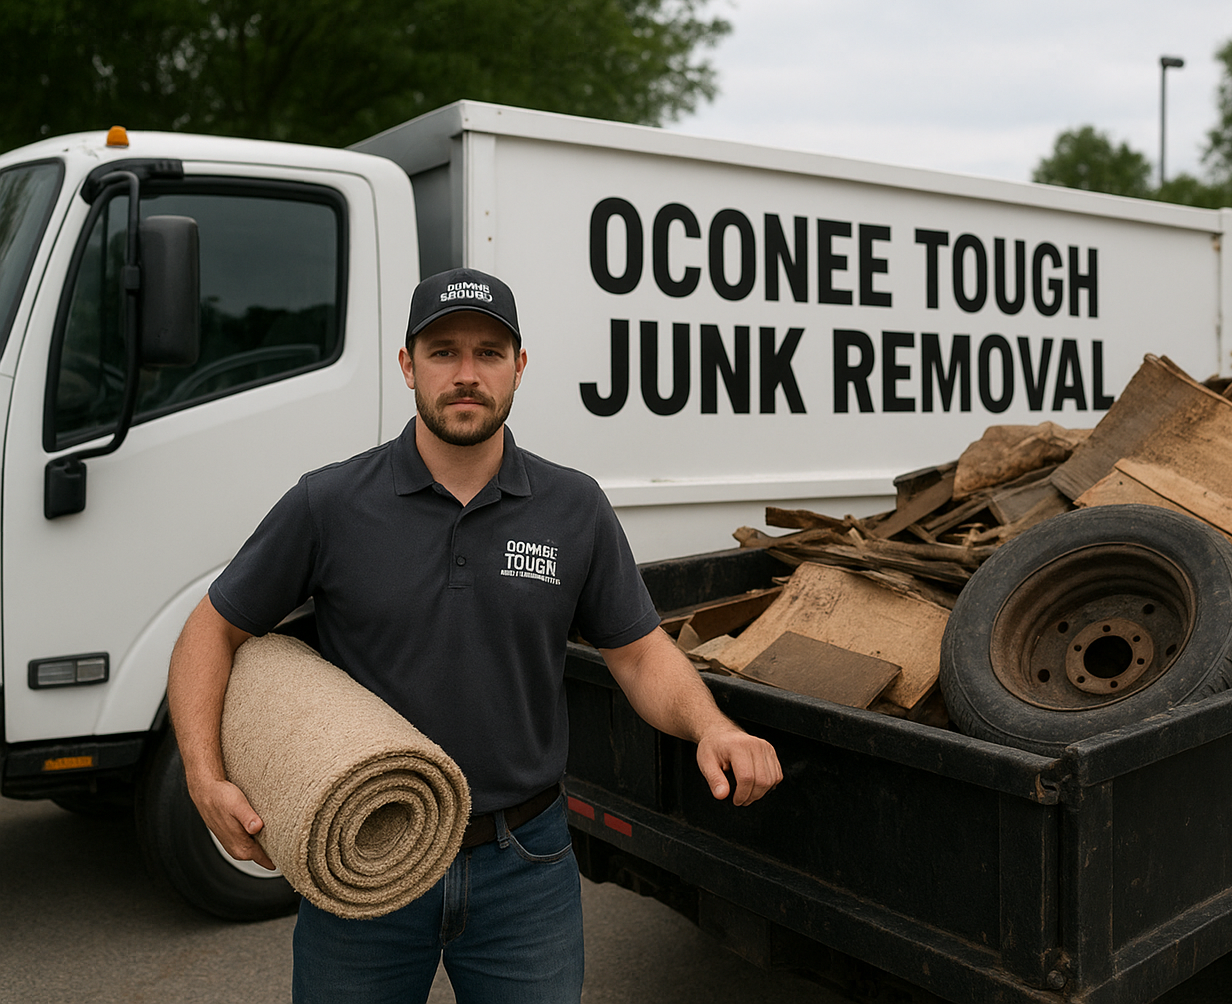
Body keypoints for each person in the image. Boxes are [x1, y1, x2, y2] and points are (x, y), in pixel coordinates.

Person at [166, 266, 782, 1003]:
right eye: (443, 351)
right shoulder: (329, 503)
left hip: (526, 865)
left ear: (519, 368)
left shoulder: (573, 506)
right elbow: (211, 629)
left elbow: (639, 651)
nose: (466, 374)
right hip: (367, 854)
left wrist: (711, 727)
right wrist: (205, 780)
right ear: (407, 366)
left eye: (489, 353)